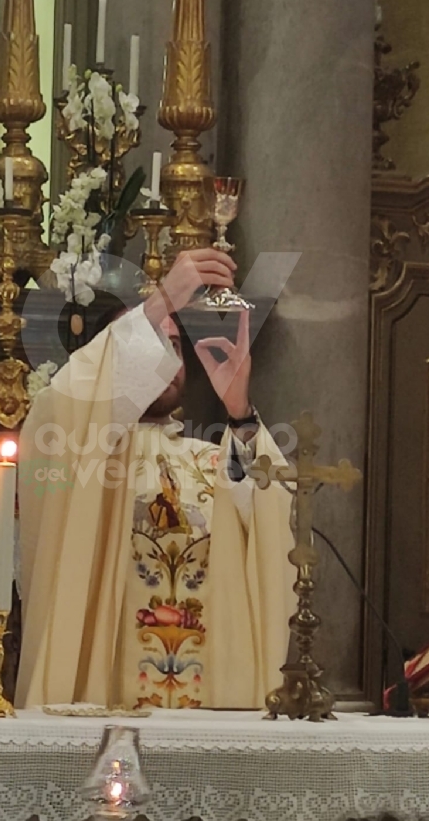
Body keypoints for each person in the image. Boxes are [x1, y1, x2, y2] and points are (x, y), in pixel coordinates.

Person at [16, 247, 294, 710]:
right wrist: (162, 302)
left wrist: (241, 413)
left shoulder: (210, 457)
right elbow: (57, 412)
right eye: (148, 337)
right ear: (108, 363)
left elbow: (272, 523)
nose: (164, 357)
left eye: (173, 343)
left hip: (209, 702)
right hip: (108, 699)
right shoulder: (85, 458)